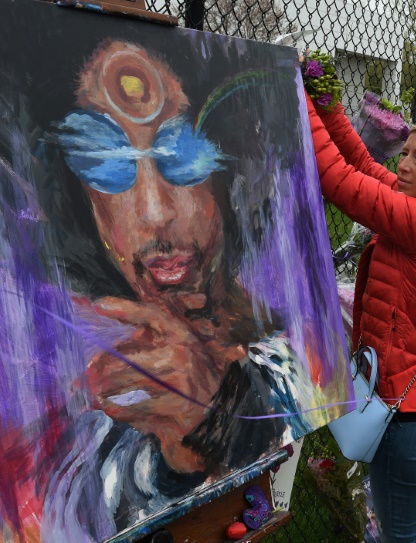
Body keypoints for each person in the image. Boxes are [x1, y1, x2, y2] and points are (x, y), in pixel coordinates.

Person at [1, 33, 339, 541]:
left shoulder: (293, 333)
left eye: (185, 154)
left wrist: (224, 416)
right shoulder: (57, 376)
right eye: (104, 163)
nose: (155, 213)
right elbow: (57, 502)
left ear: (233, 167)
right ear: (75, 193)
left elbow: (298, 394)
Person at [307, 95, 416, 542]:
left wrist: (293, 95)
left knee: (400, 532)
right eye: (404, 152)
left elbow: (339, 181)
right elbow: (364, 166)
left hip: (412, 410)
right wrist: (326, 106)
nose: (404, 164)